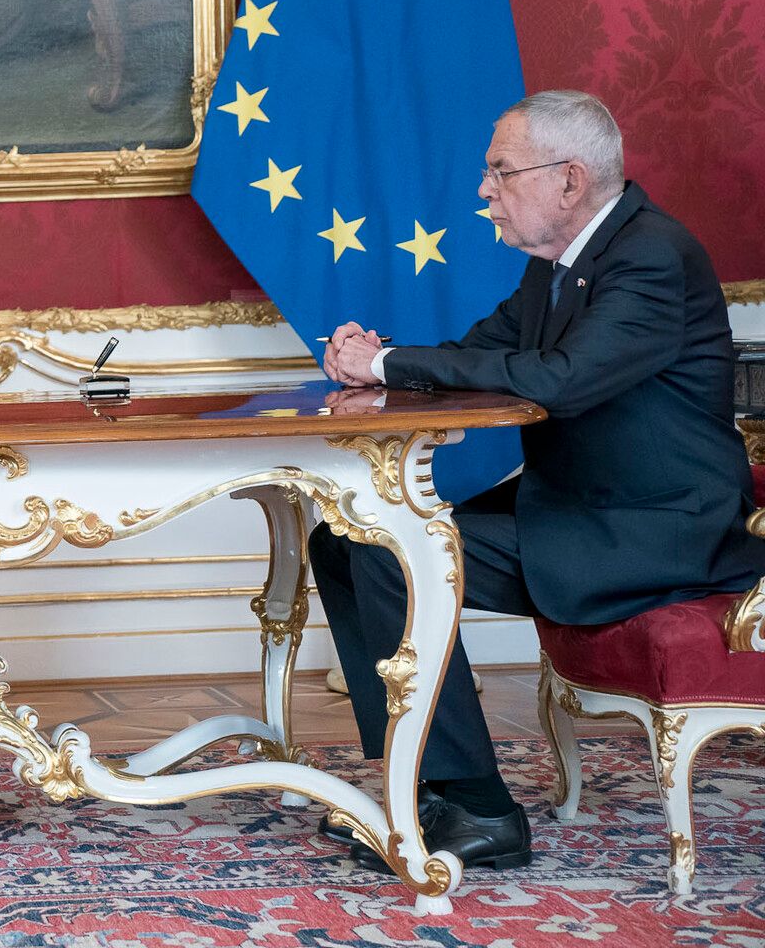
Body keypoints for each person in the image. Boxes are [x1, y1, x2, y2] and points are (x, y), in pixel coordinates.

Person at [317, 89, 763, 872]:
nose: (483, 190)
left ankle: (482, 811)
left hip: (657, 531)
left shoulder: (652, 255)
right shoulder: (561, 267)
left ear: (569, 179)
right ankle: (413, 782)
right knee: (343, 535)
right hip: (580, 511)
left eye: (499, 171)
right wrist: (376, 359)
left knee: (390, 551)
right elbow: (478, 354)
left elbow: (559, 380)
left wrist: (386, 367)